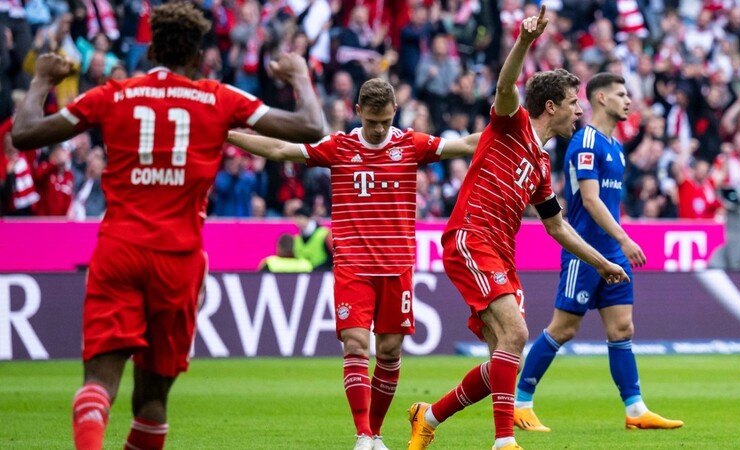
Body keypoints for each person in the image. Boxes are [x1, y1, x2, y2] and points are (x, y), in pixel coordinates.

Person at [10, 3, 324, 449]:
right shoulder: (219, 97)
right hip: (178, 262)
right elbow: (312, 126)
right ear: (198, 57)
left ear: (151, 48)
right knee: (153, 399)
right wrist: (298, 75)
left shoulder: (112, 94)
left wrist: (43, 78)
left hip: (119, 249)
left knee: (99, 383)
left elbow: (23, 135)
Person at [407, 9, 630, 450]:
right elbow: (506, 86)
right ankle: (504, 441)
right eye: (573, 104)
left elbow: (558, 228)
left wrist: (602, 262)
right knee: (518, 334)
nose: (579, 113)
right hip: (471, 237)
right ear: (552, 106)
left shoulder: (543, 166)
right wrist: (525, 41)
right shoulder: (513, 124)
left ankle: (427, 417)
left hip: (502, 254)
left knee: (502, 361)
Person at [226, 77, 481, 450]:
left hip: (397, 266)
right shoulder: (340, 147)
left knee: (390, 351)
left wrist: (520, 131)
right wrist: (228, 135)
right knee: (357, 344)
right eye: (371, 121)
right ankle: (362, 435)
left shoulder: (409, 144)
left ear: (395, 111)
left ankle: (376, 434)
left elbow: (469, 144)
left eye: (384, 121)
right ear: (357, 112)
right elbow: (281, 149)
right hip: (353, 266)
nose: (378, 130)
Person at [513, 73, 684, 433]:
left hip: (614, 254)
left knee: (622, 328)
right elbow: (589, 200)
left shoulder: (616, 147)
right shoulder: (584, 142)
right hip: (585, 253)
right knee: (564, 329)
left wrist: (619, 245)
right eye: (622, 94)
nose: (628, 101)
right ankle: (521, 403)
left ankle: (635, 409)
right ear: (601, 98)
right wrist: (624, 239)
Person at [291, 205, 334, 271]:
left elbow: (332, 258)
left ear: (309, 218)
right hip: (304, 274)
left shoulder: (324, 233)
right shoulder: (297, 239)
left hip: (322, 272)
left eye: (300, 218)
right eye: (296, 219)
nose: (298, 222)